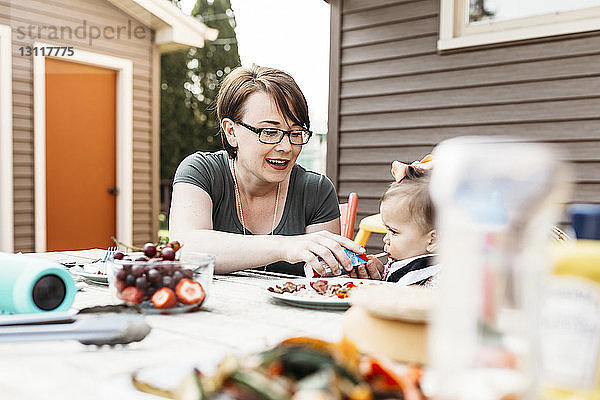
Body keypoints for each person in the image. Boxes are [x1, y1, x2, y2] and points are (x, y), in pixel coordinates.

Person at [169, 65, 365, 276]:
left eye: (296, 132)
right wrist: (284, 247)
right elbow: (186, 248)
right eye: (270, 131)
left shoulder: (316, 190)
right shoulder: (201, 172)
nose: (286, 147)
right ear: (231, 132)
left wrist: (354, 269)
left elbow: (326, 276)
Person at [361, 157, 440, 286]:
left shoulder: (437, 281)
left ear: (433, 240)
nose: (385, 239)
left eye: (393, 232)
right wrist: (380, 277)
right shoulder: (404, 261)